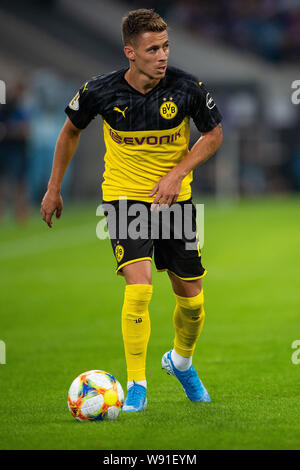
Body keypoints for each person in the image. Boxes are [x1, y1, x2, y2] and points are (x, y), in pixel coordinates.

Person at [41, 9, 223, 412]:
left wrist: (177, 173)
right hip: (124, 199)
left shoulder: (187, 87)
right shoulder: (101, 90)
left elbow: (213, 134)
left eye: (166, 46)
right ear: (130, 52)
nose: (162, 55)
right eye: (153, 48)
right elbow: (70, 129)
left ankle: (180, 363)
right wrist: (54, 188)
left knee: (192, 302)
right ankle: (136, 384)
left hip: (175, 203)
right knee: (139, 288)